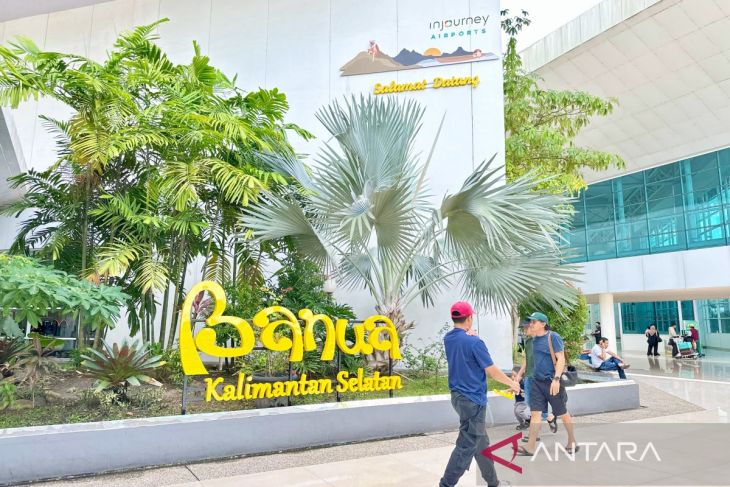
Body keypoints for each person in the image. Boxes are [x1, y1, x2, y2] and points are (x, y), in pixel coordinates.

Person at [440, 301, 518, 487]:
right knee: (466, 446)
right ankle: (445, 485)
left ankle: (493, 482)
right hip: (473, 401)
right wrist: (512, 383)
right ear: (469, 318)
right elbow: (492, 372)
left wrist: (471, 334)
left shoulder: (448, 338)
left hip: (458, 398)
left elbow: (462, 344)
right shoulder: (475, 342)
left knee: (480, 441)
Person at [517, 312, 578, 456]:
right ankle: (530, 447)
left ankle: (572, 440)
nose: (531, 324)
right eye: (530, 322)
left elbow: (561, 358)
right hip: (536, 382)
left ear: (543, 324)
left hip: (552, 382)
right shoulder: (532, 340)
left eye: (534, 322)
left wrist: (556, 379)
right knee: (535, 414)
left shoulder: (553, 337)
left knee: (562, 413)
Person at [514, 321, 558, 441]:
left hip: (541, 378)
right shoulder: (528, 341)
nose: (524, 331)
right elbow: (526, 359)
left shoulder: (545, 340)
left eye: (525, 328)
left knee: (535, 408)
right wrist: (519, 375)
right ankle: (549, 417)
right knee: (529, 403)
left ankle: (534, 434)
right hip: (529, 377)